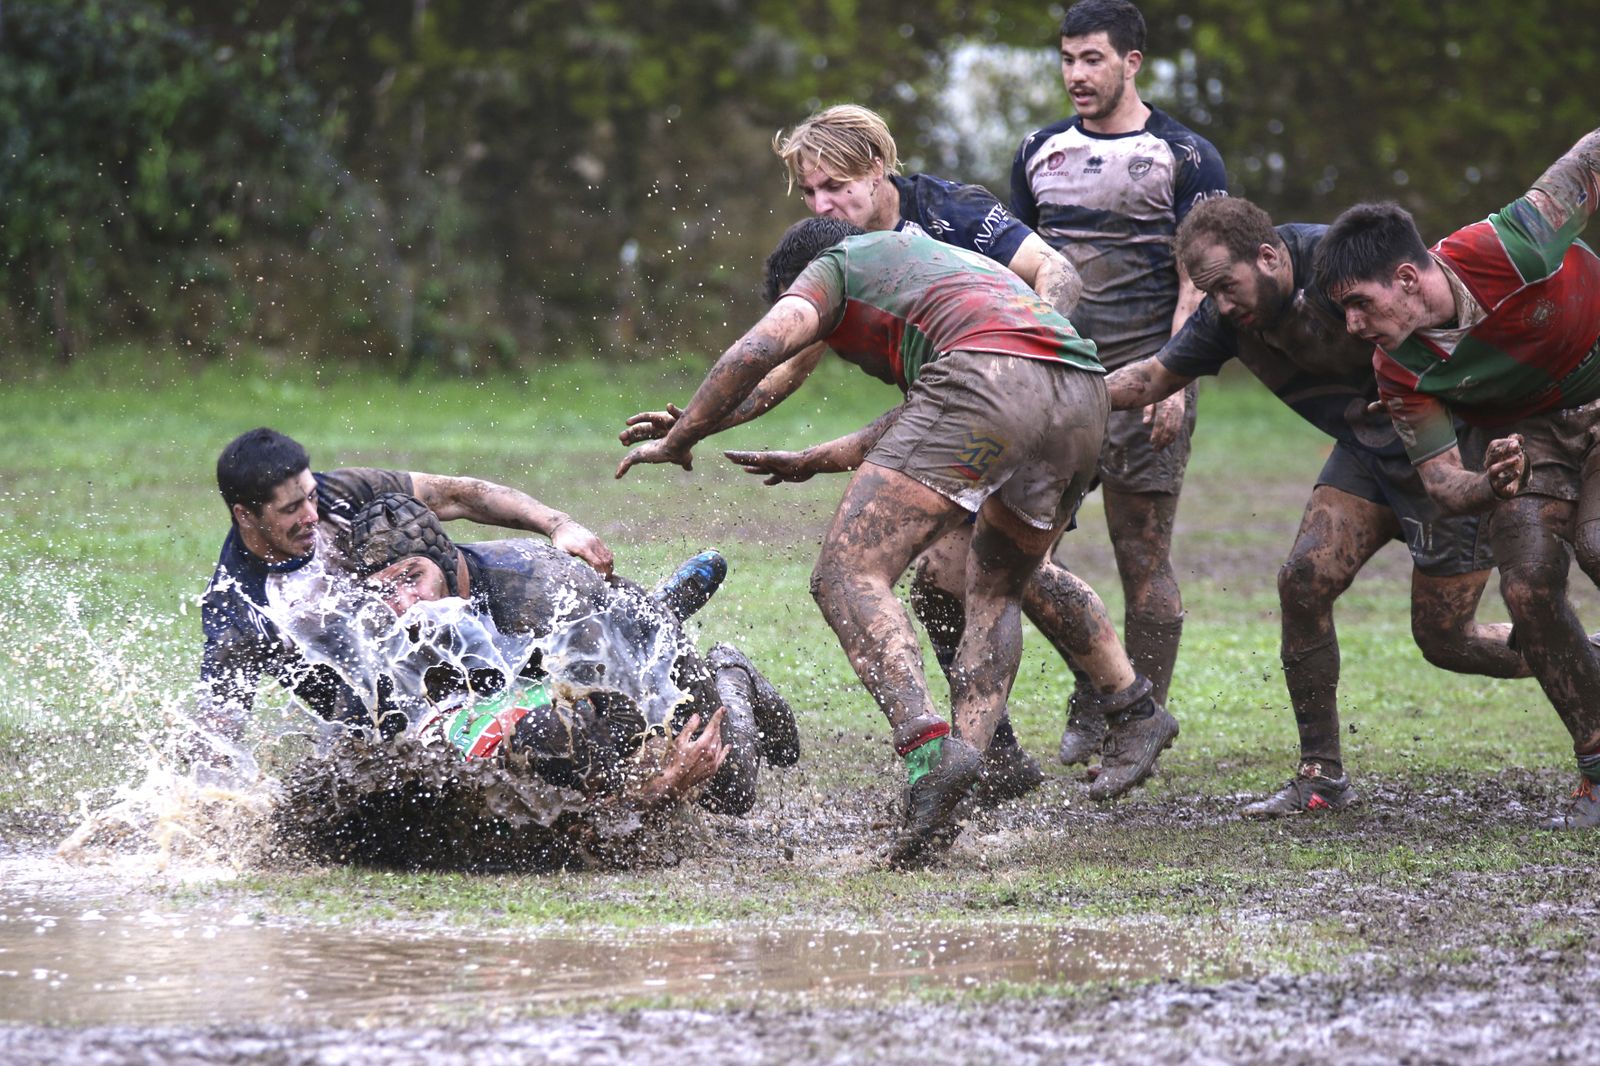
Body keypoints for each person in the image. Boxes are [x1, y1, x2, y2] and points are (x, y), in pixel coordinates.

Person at [617, 217, 1178, 866]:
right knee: (994, 590)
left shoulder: (839, 263)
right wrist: (738, 432)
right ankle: (958, 776)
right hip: (1082, 393)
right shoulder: (944, 273)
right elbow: (938, 409)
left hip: (993, 382)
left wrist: (681, 438)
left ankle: (926, 746)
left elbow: (756, 352)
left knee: (846, 573)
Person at [1106, 196, 1535, 815]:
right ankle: (1320, 777)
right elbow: (1150, 379)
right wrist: (1073, 391)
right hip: (1367, 456)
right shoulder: (1227, 315)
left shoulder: (1339, 270)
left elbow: (1449, 320)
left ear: (1270, 256)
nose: (1223, 304)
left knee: (1446, 639)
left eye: (1229, 286)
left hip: (1448, 460)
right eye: (1212, 292)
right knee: (1303, 581)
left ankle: (1575, 654)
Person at [1312, 125, 1600, 827]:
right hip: (1534, 432)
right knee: (1529, 584)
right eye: (1343, 310)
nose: (1353, 325)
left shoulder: (1507, 245)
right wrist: (1494, 486)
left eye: (1361, 304)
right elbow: (1443, 484)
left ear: (1408, 279)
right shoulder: (1398, 367)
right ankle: (1597, 766)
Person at [1011, 0, 1228, 759]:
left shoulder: (1185, 156)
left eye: (1092, 58)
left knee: (1144, 559)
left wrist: (1172, 381)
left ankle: (1140, 724)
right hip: (1056, 389)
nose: (1076, 73)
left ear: (1132, 62)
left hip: (1147, 383)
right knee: (1028, 552)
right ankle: (1100, 688)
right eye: (1067, 58)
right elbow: (1018, 270)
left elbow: (1199, 282)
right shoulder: (1039, 150)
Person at [346, 492, 800, 819]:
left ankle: (730, 671)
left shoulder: (540, 596)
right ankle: (664, 603)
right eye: (383, 591)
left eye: (411, 578)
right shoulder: (386, 625)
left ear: (443, 561)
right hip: (560, 664)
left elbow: (620, 740)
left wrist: (662, 782)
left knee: (729, 793)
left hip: (638, 653)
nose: (403, 603)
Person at [199, 427, 613, 742]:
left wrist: (559, 525)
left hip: (434, 625)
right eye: (292, 508)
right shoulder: (238, 607)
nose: (311, 513)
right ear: (245, 515)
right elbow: (220, 728)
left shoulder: (337, 495)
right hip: (358, 695)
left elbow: (458, 495)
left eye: (310, 495)